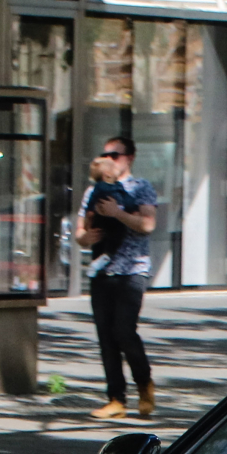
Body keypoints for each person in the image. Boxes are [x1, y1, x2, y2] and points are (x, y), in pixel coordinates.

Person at [74, 134, 159, 419]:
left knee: (124, 331)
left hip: (132, 270)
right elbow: (80, 235)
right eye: (106, 155)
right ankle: (116, 399)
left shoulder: (140, 187)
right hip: (101, 269)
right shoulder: (93, 190)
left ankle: (144, 384)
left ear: (129, 158)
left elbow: (147, 224)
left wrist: (117, 213)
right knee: (105, 336)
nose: (110, 160)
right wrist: (87, 237)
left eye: (116, 155)